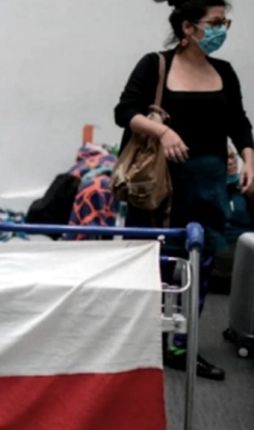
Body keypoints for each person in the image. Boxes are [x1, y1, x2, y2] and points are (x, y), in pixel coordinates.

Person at [115, 0, 254, 380]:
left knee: (199, 268)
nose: (222, 30)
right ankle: (141, 345)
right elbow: (124, 111)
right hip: (159, 188)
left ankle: (181, 345)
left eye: (225, 23)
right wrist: (163, 131)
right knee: (154, 266)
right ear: (188, 28)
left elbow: (239, 122)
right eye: (215, 22)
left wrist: (249, 159)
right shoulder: (155, 65)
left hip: (207, 189)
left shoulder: (224, 71)